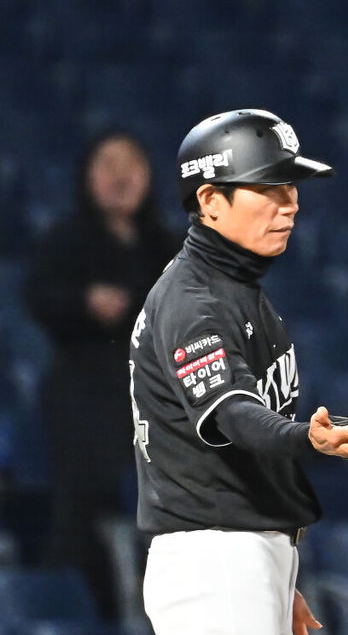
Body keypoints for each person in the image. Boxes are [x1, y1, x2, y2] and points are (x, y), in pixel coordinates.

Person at [128, 109, 348, 635]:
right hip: (216, 561)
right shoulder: (192, 300)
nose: (290, 203)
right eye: (268, 187)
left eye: (291, 186)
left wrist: (273, 580)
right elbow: (234, 414)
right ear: (209, 200)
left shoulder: (234, 288)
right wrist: (306, 438)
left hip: (236, 560)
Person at [23, 130, 180, 622]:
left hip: (154, 394)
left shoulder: (168, 246)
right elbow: (38, 298)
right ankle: (79, 614)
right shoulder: (66, 239)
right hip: (84, 391)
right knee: (86, 507)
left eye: (131, 164)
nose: (120, 175)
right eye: (108, 164)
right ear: (87, 177)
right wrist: (84, 302)